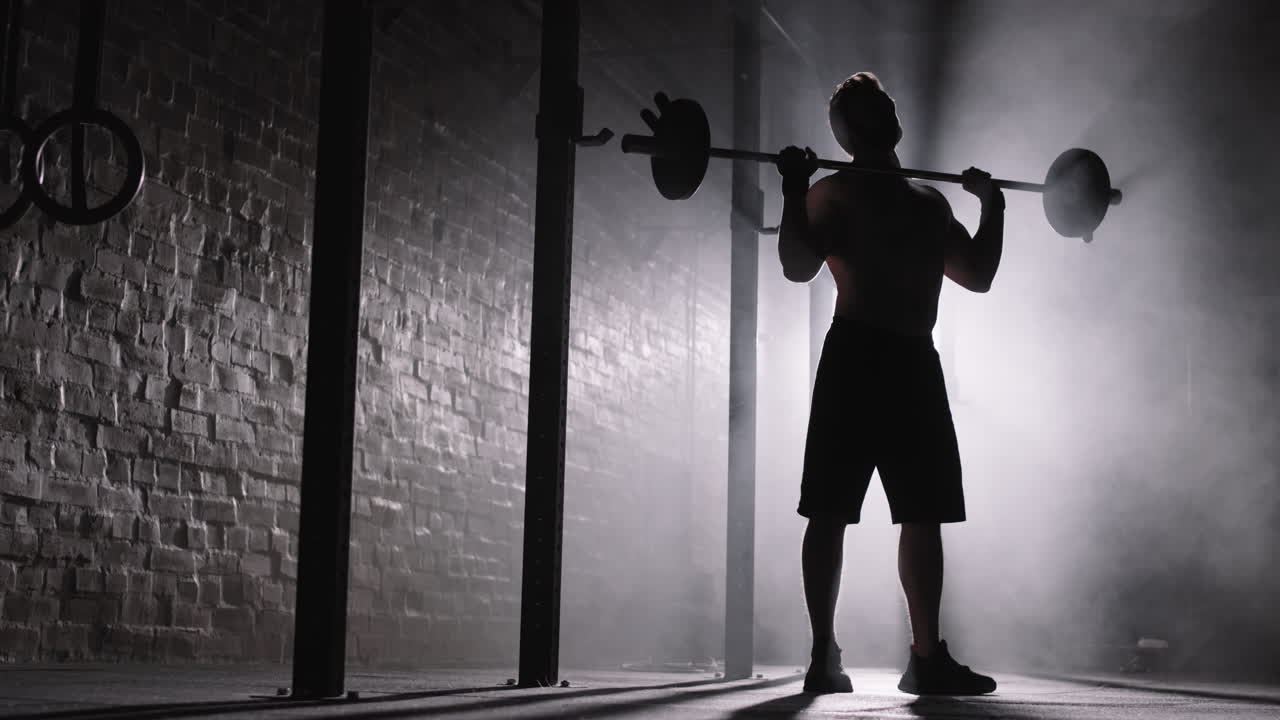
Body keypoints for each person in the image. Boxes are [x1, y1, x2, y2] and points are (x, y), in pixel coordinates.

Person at [776, 71, 1003, 696]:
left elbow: (977, 274)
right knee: (828, 508)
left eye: (886, 101)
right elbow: (798, 267)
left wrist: (994, 208)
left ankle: (926, 658)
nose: (886, 110)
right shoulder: (833, 193)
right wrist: (794, 190)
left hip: (914, 362)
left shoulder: (930, 203)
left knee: (924, 512)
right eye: (870, 107)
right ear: (849, 132)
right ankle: (823, 654)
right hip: (855, 355)